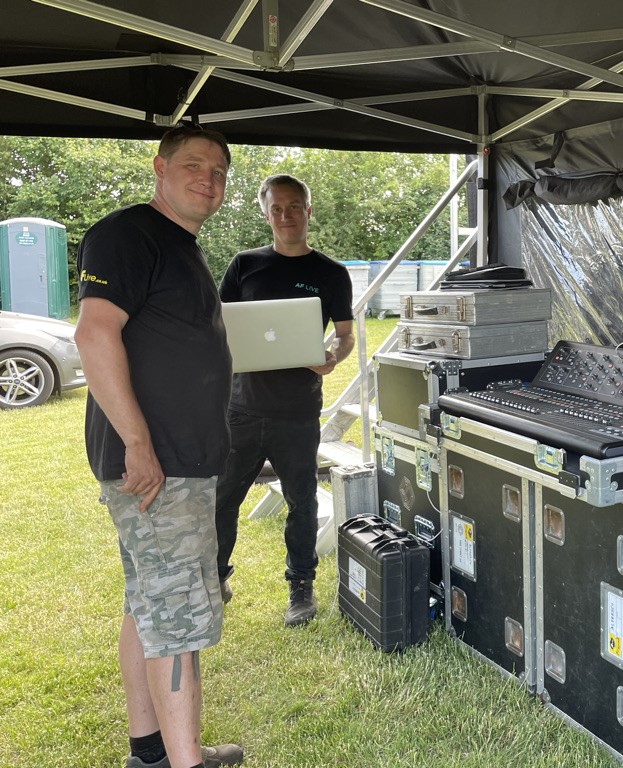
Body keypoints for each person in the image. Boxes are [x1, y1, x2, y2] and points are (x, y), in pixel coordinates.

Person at [74, 124, 243, 768]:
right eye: (194, 164)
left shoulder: (180, 245)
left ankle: (149, 749)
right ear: (160, 168)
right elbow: (94, 335)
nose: (209, 178)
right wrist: (137, 443)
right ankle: (184, 762)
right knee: (177, 621)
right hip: (157, 466)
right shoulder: (127, 234)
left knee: (147, 602)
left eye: (220, 170)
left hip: (179, 463)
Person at [215, 173, 355, 627]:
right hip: (242, 407)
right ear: (265, 213)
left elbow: (345, 335)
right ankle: (214, 578)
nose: (285, 216)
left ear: (308, 210)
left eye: (293, 206)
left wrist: (334, 355)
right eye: (276, 208)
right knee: (223, 498)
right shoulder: (243, 265)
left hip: (297, 409)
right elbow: (220, 325)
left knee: (303, 500)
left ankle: (301, 588)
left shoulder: (330, 273)